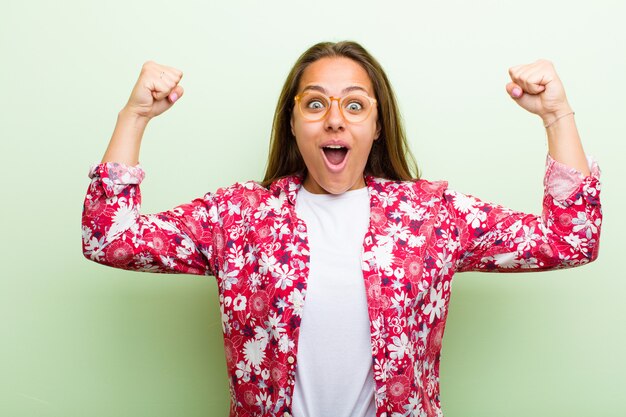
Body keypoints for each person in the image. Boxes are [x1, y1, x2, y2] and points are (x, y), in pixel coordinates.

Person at [82, 41, 602, 417]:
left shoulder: (430, 216)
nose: (335, 120)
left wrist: (556, 115)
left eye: (355, 104)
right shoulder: (237, 217)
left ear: (377, 126)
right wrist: (135, 117)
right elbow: (109, 238)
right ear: (293, 122)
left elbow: (570, 239)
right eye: (315, 104)